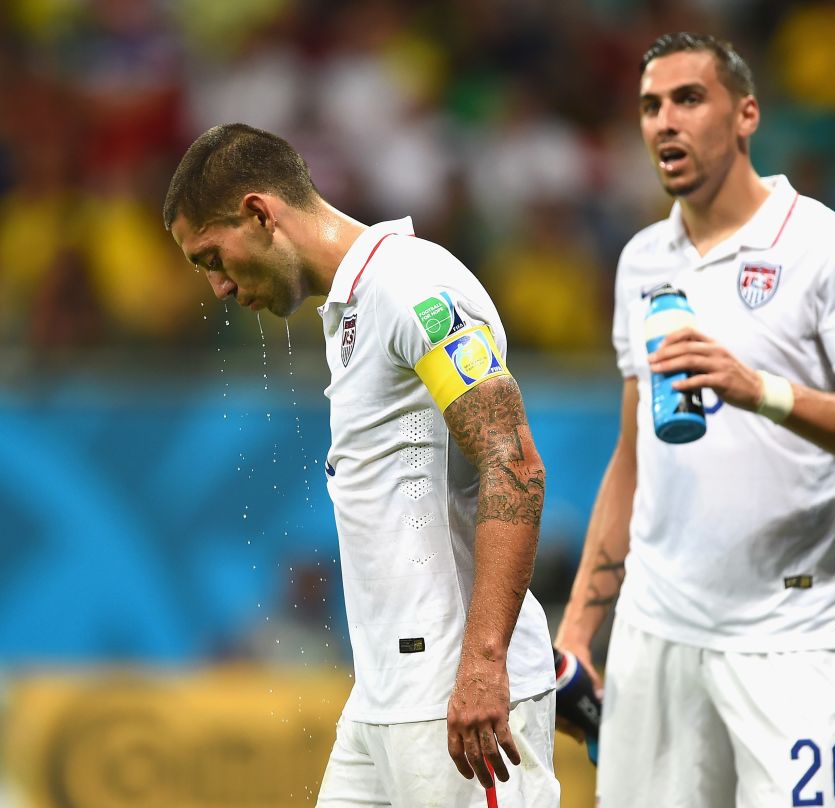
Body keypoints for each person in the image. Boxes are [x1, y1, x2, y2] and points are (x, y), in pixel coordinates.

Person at [553, 32, 835, 807]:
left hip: (789, 640)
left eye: (689, 100)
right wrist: (577, 634)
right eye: (650, 106)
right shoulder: (641, 263)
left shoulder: (832, 249)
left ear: (747, 114)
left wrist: (763, 391)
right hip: (657, 635)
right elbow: (632, 460)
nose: (665, 122)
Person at [163, 124, 558, 808]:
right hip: (384, 697)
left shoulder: (411, 288)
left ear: (260, 214)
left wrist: (486, 665)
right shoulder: (351, 307)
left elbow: (513, 462)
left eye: (211, 258)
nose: (219, 287)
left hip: (456, 700)